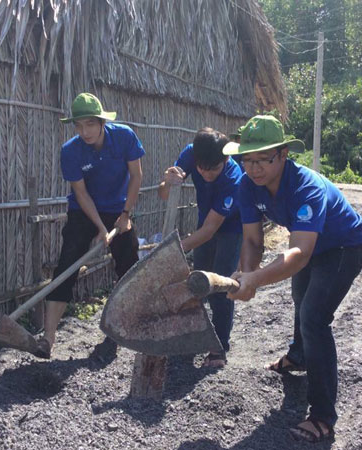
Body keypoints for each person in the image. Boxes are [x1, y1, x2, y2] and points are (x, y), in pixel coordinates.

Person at [225, 115, 362, 442]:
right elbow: (252, 241)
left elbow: (299, 254)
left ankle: (322, 415)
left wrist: (256, 279)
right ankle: (299, 356)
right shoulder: (247, 185)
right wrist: (246, 273)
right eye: (247, 159)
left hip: (343, 247)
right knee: (300, 300)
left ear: (284, 153)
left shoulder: (307, 186)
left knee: (314, 318)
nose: (254, 167)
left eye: (264, 159)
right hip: (310, 247)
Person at [37, 93, 145, 358]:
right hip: (84, 211)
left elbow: (136, 175)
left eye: (89, 124)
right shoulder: (70, 151)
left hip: (119, 208)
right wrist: (98, 227)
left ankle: (125, 323)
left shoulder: (124, 137)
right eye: (79, 126)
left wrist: (125, 214)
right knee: (67, 264)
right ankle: (48, 337)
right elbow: (81, 194)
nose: (84, 132)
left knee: (128, 262)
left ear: (101, 122)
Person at [158, 128, 243, 368]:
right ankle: (194, 336)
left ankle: (219, 348)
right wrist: (168, 180)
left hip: (231, 227)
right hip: (205, 220)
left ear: (225, 160)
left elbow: (210, 230)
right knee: (196, 281)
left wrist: (176, 248)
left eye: (213, 169)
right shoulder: (191, 155)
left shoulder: (233, 178)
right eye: (201, 168)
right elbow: (163, 195)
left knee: (220, 285)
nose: (205, 174)